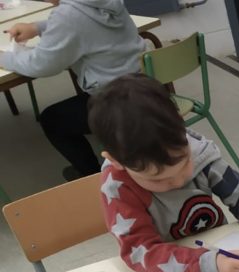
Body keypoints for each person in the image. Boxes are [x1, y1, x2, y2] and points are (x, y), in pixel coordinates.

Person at [88, 73, 239, 272]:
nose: (178, 181)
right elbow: (141, 252)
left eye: (184, 165)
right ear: (117, 161)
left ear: (182, 127)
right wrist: (208, 264)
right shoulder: (118, 187)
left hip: (221, 252)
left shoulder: (198, 152)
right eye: (157, 180)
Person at [2, 0, 145, 179]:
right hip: (144, 87)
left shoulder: (67, 16)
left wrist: (4, 58)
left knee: (52, 120)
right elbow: (80, 21)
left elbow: (40, 65)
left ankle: (92, 176)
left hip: (115, 101)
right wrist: (36, 27)